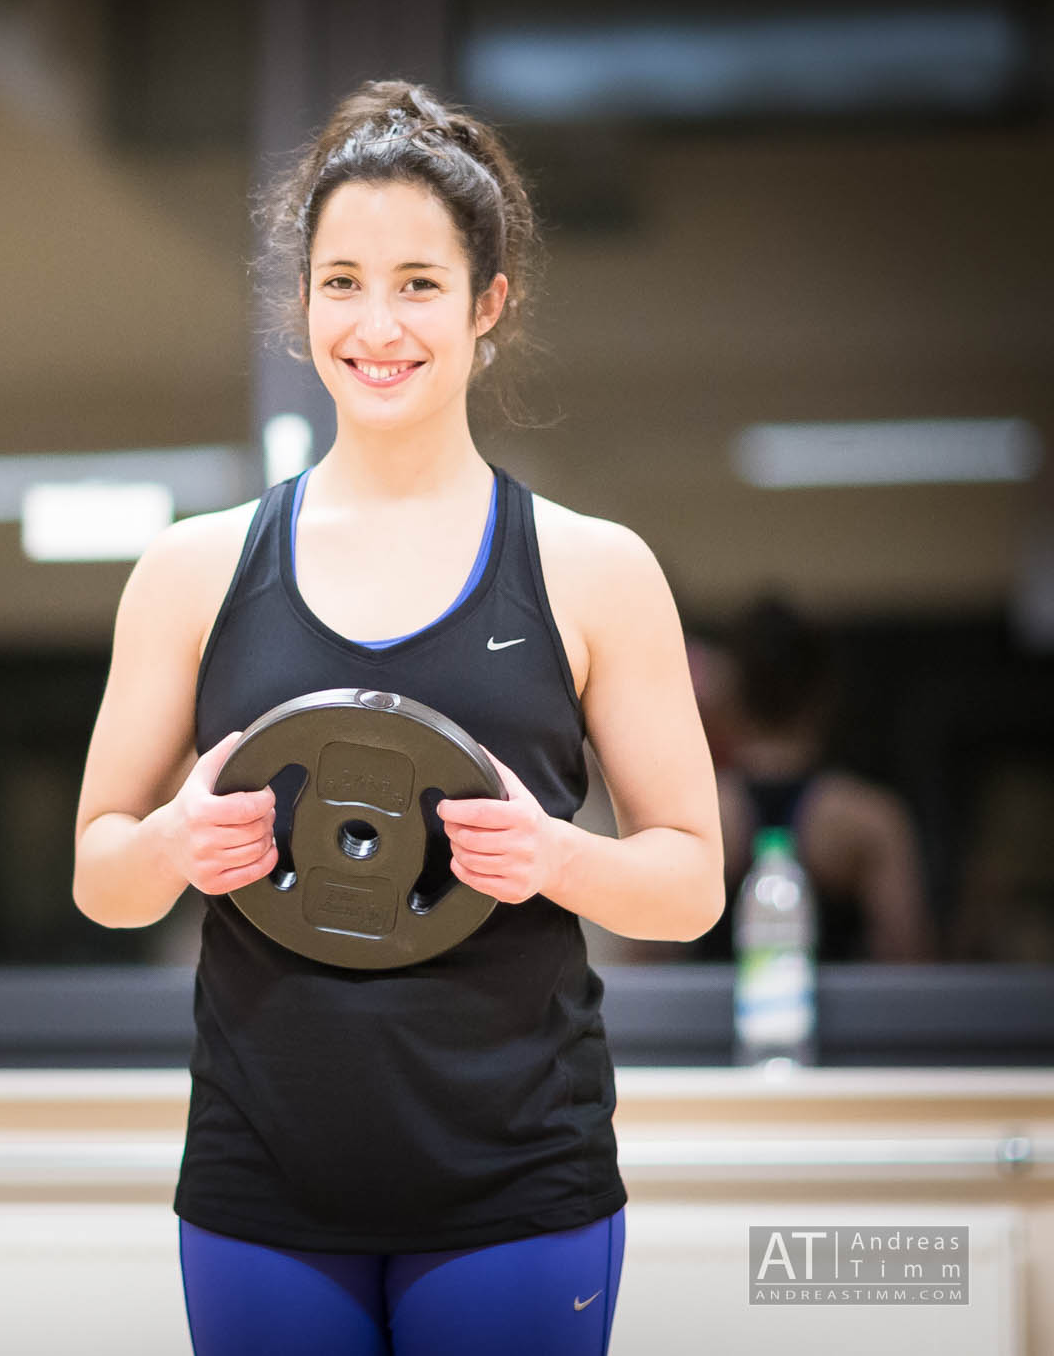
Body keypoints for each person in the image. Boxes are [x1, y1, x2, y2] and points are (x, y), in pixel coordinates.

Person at [71, 81, 724, 1355]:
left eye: (419, 284)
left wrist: (552, 856)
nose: (376, 325)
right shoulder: (191, 570)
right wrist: (168, 848)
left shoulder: (592, 570)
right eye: (342, 281)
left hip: (515, 1186)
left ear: (489, 304)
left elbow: (690, 882)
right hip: (262, 1190)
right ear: (301, 300)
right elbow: (102, 875)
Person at [683, 596, 936, 963]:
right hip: (847, 1021)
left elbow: (645, 964)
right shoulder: (868, 823)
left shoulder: (698, 820)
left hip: (708, 1021)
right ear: (824, 695)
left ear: (734, 696)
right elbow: (911, 967)